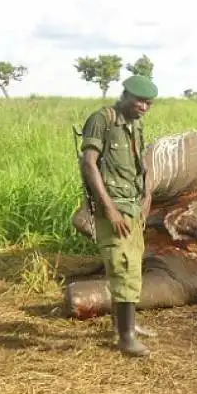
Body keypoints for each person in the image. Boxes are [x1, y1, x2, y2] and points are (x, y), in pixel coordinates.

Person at [78, 75, 158, 357]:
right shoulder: (102, 120)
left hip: (133, 208)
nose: (144, 107)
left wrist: (147, 195)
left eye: (148, 103)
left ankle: (127, 326)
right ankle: (125, 338)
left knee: (133, 265)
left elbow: (142, 163)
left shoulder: (135, 124)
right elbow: (89, 164)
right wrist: (109, 209)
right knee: (122, 268)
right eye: (139, 101)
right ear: (124, 95)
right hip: (114, 208)